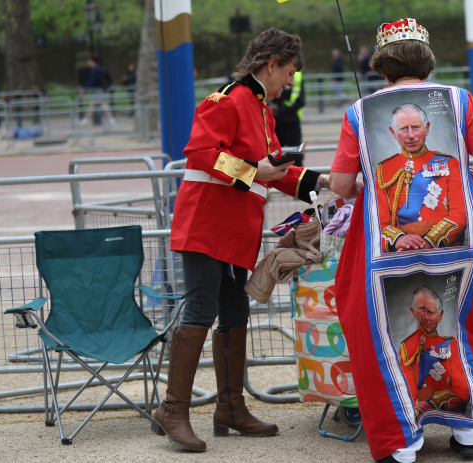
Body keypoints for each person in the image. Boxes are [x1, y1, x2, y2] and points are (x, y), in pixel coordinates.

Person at [329, 18, 473, 463]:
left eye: (416, 130)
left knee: (380, 331)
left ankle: (402, 441)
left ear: (382, 65)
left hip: (385, 252)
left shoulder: (359, 111)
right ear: (426, 61)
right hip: (459, 244)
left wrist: (357, 192)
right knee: (455, 320)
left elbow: (341, 183)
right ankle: (468, 431)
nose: (410, 135)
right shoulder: (459, 100)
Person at [153, 27, 331, 452]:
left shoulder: (260, 108)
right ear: (271, 64)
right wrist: (254, 173)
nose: (290, 80)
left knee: (235, 314)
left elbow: (275, 170)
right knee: (201, 310)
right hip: (205, 226)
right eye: (288, 71)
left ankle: (230, 409)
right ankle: (173, 409)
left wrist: (324, 181)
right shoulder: (230, 99)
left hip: (232, 231)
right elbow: (199, 153)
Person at [377, 103, 466, 252]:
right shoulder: (383, 170)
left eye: (416, 127)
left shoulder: (450, 164)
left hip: (444, 250)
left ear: (427, 128)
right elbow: (379, 222)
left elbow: (460, 214)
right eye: (404, 129)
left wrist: (430, 241)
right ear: (393, 133)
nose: (411, 135)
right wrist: (399, 240)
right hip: (402, 252)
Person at [399, 287, 470, 418]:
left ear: (440, 316)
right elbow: (404, 382)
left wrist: (431, 403)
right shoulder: (407, 346)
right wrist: (414, 403)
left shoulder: (451, 344)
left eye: (430, 312)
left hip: (444, 408)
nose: (426, 317)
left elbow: (463, 390)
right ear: (413, 312)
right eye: (421, 310)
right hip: (416, 409)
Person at [269, 70, 305, 165]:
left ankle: (298, 179)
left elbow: (301, 101)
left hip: (291, 122)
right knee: (273, 157)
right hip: (274, 123)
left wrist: (280, 110)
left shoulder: (297, 76)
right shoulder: (271, 71)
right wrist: (269, 106)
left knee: (296, 157)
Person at [78, 56, 115, 126]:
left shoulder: (95, 69)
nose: (87, 62)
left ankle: (85, 120)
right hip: (99, 89)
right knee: (100, 104)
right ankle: (111, 119)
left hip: (98, 89)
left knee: (95, 104)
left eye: (88, 61)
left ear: (92, 61)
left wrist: (84, 89)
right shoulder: (98, 68)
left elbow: (92, 80)